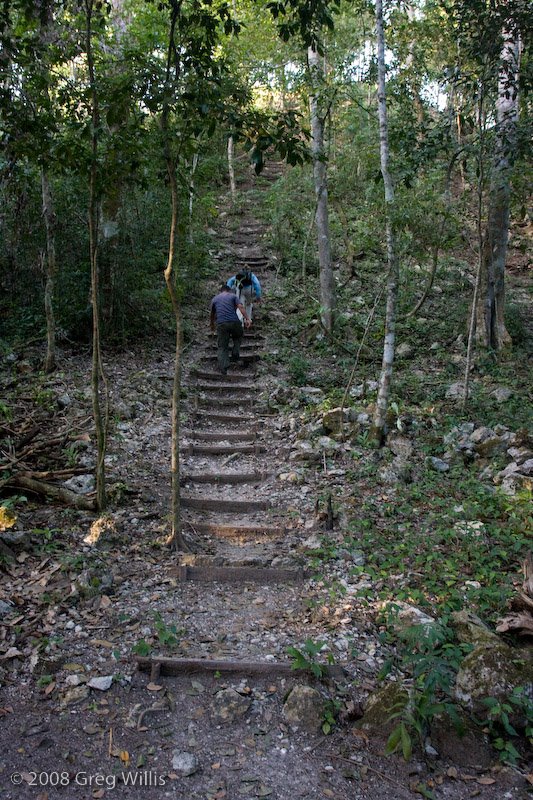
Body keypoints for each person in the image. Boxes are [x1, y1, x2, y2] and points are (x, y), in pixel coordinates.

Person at [210, 284, 252, 374]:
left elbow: (212, 313)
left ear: (221, 291)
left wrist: (212, 324)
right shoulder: (233, 296)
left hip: (221, 324)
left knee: (222, 346)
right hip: (234, 322)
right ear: (228, 290)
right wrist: (247, 318)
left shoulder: (215, 299)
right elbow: (240, 307)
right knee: (238, 336)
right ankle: (235, 354)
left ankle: (224, 367)